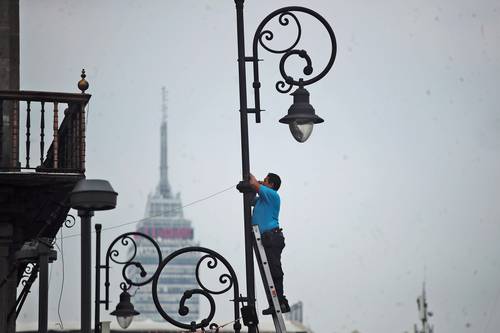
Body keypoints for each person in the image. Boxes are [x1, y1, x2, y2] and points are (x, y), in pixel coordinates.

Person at [249, 172, 290, 315]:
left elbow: (254, 184)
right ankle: (277, 303)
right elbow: (250, 200)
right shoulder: (262, 199)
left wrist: (249, 176)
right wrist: (253, 187)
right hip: (264, 238)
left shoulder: (272, 195)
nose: (263, 181)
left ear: (271, 184)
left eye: (265, 180)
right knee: (270, 272)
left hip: (271, 237)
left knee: (274, 270)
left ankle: (280, 302)